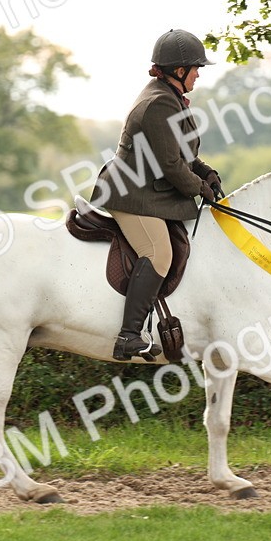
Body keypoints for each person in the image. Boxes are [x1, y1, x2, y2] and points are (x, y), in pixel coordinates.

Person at [92, 28, 224, 361]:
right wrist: (199, 188)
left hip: (148, 190)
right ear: (178, 70)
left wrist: (205, 172)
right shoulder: (158, 105)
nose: (198, 74)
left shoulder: (168, 97)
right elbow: (170, 165)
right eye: (196, 68)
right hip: (130, 194)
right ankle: (129, 336)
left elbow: (182, 155)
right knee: (158, 252)